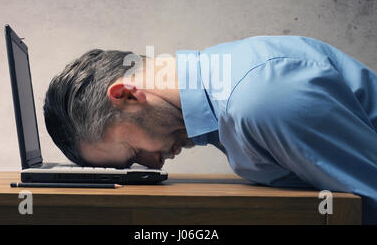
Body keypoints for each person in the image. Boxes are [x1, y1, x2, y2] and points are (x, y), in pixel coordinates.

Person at [44, 35, 377, 224]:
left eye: (134, 153)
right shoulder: (221, 84)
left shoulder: (258, 101)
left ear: (127, 95)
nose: (155, 164)